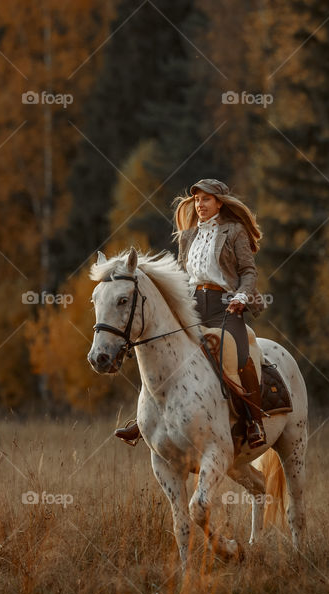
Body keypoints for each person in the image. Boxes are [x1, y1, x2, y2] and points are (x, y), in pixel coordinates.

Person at [114, 178, 268, 448]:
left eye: (206, 199)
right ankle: (144, 419)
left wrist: (241, 296)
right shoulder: (188, 236)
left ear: (219, 203)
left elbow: (248, 271)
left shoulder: (235, 231)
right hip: (192, 305)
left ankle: (255, 422)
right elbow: (185, 276)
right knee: (162, 352)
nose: (200, 204)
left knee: (239, 355)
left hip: (226, 305)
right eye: (197, 200)